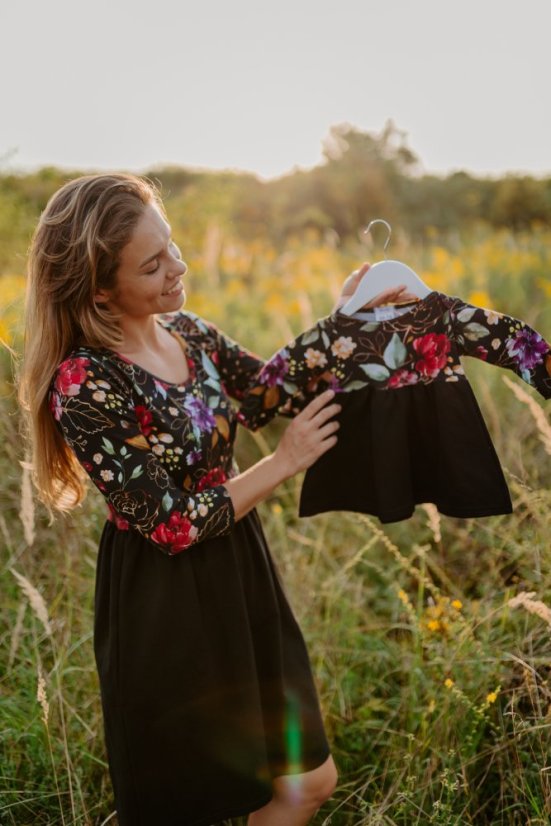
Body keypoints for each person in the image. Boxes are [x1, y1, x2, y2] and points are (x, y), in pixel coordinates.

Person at [19, 173, 416, 826]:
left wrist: (344, 321)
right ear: (98, 286)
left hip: (241, 570)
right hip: (164, 603)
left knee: (306, 780)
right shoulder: (85, 383)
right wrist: (284, 464)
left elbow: (269, 394)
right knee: (183, 805)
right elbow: (170, 525)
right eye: (151, 265)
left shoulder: (188, 332)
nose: (177, 268)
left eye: (170, 244)